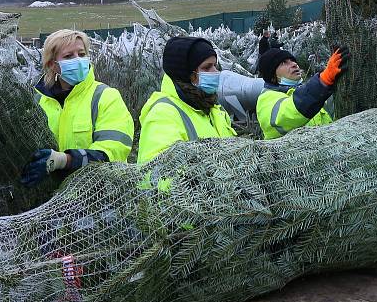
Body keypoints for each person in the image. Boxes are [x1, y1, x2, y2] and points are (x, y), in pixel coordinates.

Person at [20, 29, 134, 186]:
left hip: (99, 194)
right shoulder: (38, 101)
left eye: (81, 54)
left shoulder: (105, 96)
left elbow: (114, 150)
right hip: (48, 198)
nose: (78, 60)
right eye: (68, 56)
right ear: (53, 65)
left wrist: (65, 160)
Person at [137, 36, 236, 164]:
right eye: (207, 67)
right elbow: (160, 173)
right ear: (187, 74)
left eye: (215, 66)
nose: (215, 72)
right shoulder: (163, 114)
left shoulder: (213, 108)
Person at [256, 46, 350, 139]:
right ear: (272, 75)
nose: (294, 64)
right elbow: (289, 114)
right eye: (283, 63)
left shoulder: (309, 91)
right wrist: (323, 81)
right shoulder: (266, 99)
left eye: (292, 60)